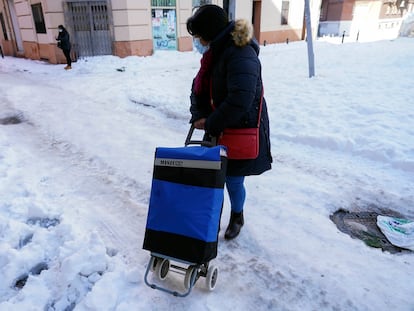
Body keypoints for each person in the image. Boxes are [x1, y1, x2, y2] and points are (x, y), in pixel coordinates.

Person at [187, 5, 272, 240]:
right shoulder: (215, 52)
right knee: (213, 178)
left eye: (198, 36)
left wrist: (211, 122)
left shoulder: (241, 53)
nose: (198, 41)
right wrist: (198, 115)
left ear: (210, 32)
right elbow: (199, 88)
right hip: (217, 125)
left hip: (237, 128)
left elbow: (241, 99)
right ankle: (211, 219)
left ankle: (237, 216)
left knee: (233, 180)